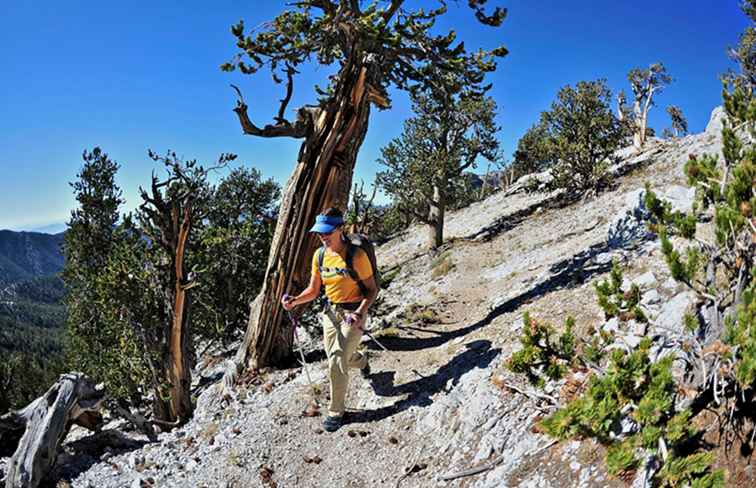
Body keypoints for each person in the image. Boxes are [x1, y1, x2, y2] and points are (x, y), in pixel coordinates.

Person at [281, 207, 378, 432]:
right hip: (330, 313)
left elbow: (372, 290)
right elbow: (314, 290)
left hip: (353, 313)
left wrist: (360, 312)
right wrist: (294, 300)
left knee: (336, 360)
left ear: (340, 229)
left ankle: (336, 412)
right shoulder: (320, 255)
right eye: (320, 233)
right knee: (338, 356)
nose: (323, 236)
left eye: (327, 232)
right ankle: (362, 360)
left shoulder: (357, 256)